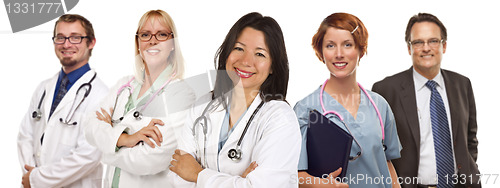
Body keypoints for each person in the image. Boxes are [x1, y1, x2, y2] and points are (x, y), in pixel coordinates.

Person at [167, 12, 301, 187]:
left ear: (273, 67)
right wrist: (238, 181)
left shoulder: (280, 118)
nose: (246, 61)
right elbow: (176, 176)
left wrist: (197, 174)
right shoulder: (203, 105)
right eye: (239, 48)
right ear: (227, 52)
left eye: (259, 54)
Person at [84, 10, 195, 188]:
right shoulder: (124, 86)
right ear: (138, 43)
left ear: (173, 42)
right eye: (145, 35)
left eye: (162, 34)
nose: (152, 40)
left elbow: (151, 159)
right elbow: (89, 126)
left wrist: (106, 148)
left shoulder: (181, 94)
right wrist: (125, 139)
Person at [372, 13, 481, 188]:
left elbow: (470, 138)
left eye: (433, 41)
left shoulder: (462, 84)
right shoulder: (385, 90)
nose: (426, 48)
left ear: (443, 45)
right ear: (409, 48)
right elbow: (378, 148)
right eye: (418, 42)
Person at [294, 12, 402, 188]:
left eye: (347, 45)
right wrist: (321, 185)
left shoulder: (379, 104)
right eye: (330, 45)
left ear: (360, 49)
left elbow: (387, 163)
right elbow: (295, 175)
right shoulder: (305, 109)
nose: (339, 54)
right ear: (321, 52)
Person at [17, 14, 108, 187]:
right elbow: (25, 136)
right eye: (60, 38)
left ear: (91, 43)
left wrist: (38, 179)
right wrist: (30, 174)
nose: (66, 44)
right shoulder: (44, 88)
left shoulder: (102, 96)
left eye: (75, 37)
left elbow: (88, 155)